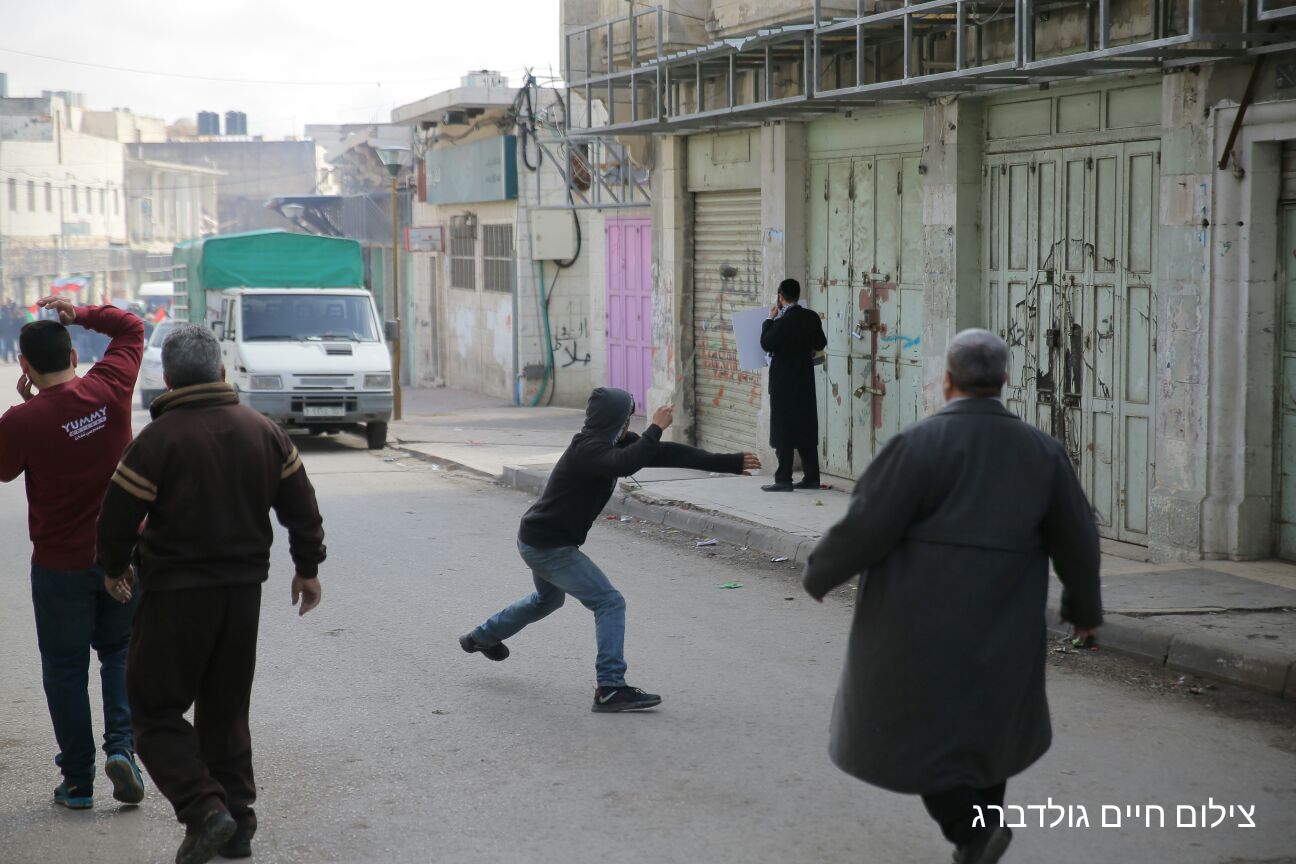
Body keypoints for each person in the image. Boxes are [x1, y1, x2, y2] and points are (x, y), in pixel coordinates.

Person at [801, 329, 1102, 864]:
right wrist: (1083, 611)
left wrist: (820, 574)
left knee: (917, 736)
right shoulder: (1042, 452)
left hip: (918, 626)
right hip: (1006, 622)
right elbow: (1077, 538)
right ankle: (977, 839)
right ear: (1004, 379)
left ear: (946, 381)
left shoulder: (917, 445)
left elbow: (865, 526)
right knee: (988, 733)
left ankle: (972, 833)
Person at [95, 325, 327, 864]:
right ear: (221, 372)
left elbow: (117, 517)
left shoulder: (157, 440)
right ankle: (238, 825)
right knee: (226, 711)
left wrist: (113, 567)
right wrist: (307, 568)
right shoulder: (263, 431)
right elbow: (302, 505)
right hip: (242, 595)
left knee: (153, 711)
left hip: (176, 596)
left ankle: (205, 810)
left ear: (169, 378)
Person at [460, 387, 760, 712]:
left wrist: (727, 462)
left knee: (547, 600)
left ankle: (481, 637)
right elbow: (624, 464)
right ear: (613, 419)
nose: (630, 423)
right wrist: (655, 427)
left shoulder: (612, 443)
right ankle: (610, 687)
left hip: (539, 538)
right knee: (609, 602)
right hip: (549, 545)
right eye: (627, 417)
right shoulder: (588, 450)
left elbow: (666, 453)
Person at [0, 296, 146, 811]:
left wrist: (27, 407)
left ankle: (79, 781)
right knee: (119, 652)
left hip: (59, 566)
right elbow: (131, 329)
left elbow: (3, 470)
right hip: (122, 558)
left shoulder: (22, 421)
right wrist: (78, 312)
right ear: (74, 355)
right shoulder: (110, 387)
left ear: (25, 365)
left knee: (64, 669)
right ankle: (122, 750)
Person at [759, 277, 827, 492]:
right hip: (804, 381)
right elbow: (821, 342)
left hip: (783, 383)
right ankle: (812, 478)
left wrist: (769, 320)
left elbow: (766, 343)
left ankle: (783, 479)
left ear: (781, 297)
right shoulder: (811, 317)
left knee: (783, 429)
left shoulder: (780, 323)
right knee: (806, 427)